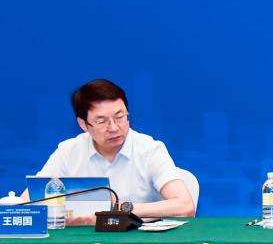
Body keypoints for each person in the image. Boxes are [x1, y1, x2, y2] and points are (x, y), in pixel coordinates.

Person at [35, 79, 196, 219]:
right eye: (101, 121)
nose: (113, 128)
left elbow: (185, 206)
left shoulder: (150, 150)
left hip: (140, 240)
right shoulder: (69, 151)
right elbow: (31, 200)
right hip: (84, 240)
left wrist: (119, 209)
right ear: (83, 124)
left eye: (120, 117)